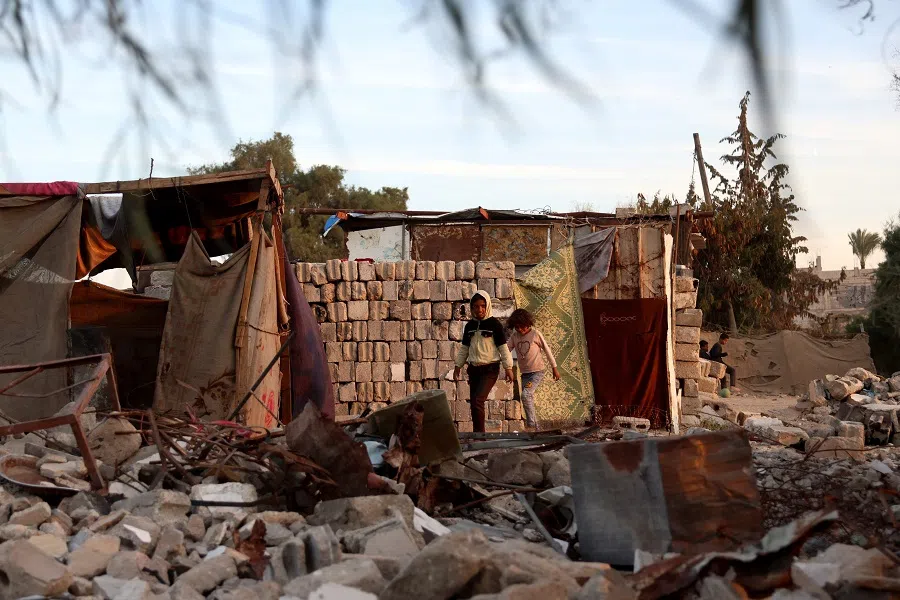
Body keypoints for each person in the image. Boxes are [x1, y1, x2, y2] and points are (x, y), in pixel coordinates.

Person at [453, 290, 514, 432]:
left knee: (478, 401)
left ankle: (480, 436)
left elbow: (503, 348)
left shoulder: (495, 325)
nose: (479, 310)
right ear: (471, 308)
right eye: (475, 306)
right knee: (474, 403)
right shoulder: (469, 327)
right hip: (474, 370)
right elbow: (464, 348)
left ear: (487, 306)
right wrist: (458, 365)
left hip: (490, 369)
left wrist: (508, 368)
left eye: (482, 306)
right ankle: (477, 434)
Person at [505, 308, 560, 429]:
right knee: (526, 398)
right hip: (524, 374)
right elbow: (506, 351)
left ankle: (531, 425)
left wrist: (554, 367)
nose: (520, 330)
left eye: (522, 327)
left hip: (537, 372)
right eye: (517, 327)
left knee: (526, 395)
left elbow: (547, 350)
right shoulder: (514, 336)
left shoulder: (535, 334)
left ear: (528, 324)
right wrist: (507, 368)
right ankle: (537, 428)